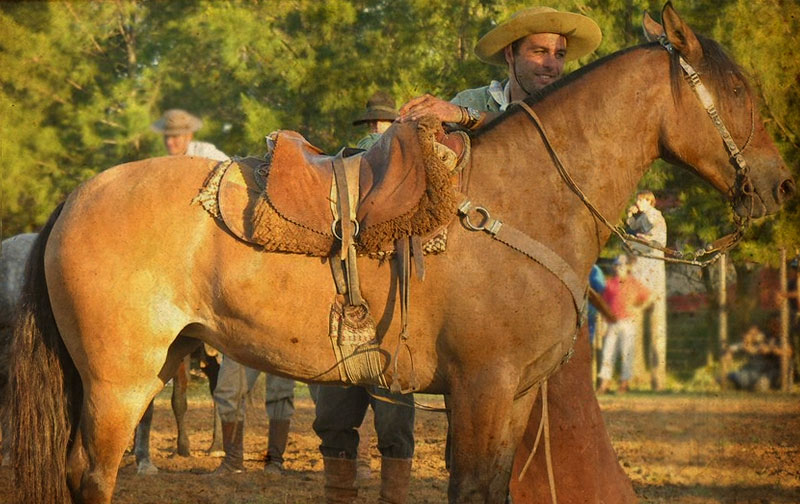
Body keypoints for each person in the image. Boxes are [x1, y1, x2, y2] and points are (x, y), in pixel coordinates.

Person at [313, 91, 416, 504]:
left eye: (383, 123)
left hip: (392, 319)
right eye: (370, 124)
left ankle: (393, 498)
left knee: (394, 424)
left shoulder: (411, 182)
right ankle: (339, 496)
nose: (375, 129)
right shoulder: (340, 177)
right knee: (333, 418)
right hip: (344, 315)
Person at [211, 357, 296, 475]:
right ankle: (233, 461)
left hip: (284, 340)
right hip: (241, 341)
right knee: (228, 390)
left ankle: (275, 460)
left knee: (280, 391)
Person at [626, 190, 669, 390]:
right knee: (635, 329)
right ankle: (637, 377)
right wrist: (630, 214)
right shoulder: (643, 217)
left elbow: (656, 243)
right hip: (639, 279)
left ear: (648, 201)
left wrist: (634, 242)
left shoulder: (656, 217)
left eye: (640, 200)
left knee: (656, 331)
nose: (638, 203)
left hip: (653, 281)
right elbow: (632, 226)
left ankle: (658, 378)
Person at [597, 255, 651, 394]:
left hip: (628, 322)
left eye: (622, 265)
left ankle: (624, 384)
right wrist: (603, 323)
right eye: (617, 265)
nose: (619, 268)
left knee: (627, 353)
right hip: (612, 322)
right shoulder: (610, 283)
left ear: (627, 267)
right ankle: (604, 384)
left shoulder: (634, 283)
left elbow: (649, 296)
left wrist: (638, 308)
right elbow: (604, 304)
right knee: (608, 353)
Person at [723, 325, 793, 392]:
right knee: (736, 376)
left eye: (754, 334)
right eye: (749, 334)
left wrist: (769, 349)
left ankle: (747, 385)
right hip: (749, 371)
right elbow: (733, 347)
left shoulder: (762, 344)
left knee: (758, 382)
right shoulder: (744, 345)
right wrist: (729, 353)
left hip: (761, 373)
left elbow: (766, 349)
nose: (748, 337)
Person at [151, 108, 228, 161]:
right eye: (166, 136)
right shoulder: (165, 164)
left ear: (188, 136)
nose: (169, 142)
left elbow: (230, 168)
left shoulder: (204, 152)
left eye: (175, 136)